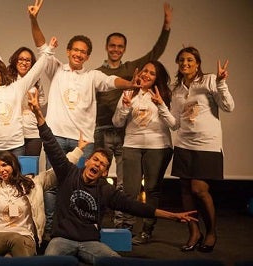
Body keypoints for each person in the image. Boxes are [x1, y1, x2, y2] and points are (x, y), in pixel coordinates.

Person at [27, 89, 198, 264]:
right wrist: (39, 114)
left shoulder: (105, 190)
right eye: (95, 160)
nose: (97, 165)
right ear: (87, 162)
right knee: (46, 263)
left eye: (102, 165)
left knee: (116, 262)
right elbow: (51, 145)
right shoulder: (68, 173)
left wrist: (173, 216)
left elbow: (135, 207)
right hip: (61, 240)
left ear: (105, 173)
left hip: (90, 242)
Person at [27, 0, 142, 239]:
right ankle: (49, 232)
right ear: (68, 52)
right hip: (57, 137)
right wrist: (34, 19)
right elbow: (40, 45)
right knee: (50, 187)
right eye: (75, 50)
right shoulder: (55, 68)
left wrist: (130, 83)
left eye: (83, 52)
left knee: (81, 189)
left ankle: (74, 232)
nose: (79, 54)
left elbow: (113, 81)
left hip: (83, 141)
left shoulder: (93, 75)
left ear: (88, 56)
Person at [95, 2, 173, 231]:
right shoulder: (97, 73)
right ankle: (94, 221)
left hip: (123, 132)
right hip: (101, 130)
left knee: (124, 185)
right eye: (112, 45)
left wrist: (166, 27)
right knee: (97, 177)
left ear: (124, 49)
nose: (116, 49)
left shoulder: (132, 68)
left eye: (120, 46)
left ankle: (122, 226)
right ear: (107, 47)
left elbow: (155, 53)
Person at [0, 122, 85, 256]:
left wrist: (78, 150)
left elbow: (59, 170)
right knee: (15, 242)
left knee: (16, 245)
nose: (1, 170)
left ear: (14, 165)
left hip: (24, 236)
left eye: (4, 165)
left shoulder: (33, 184)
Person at [169, 47, 234, 253]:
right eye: (181, 60)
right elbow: (174, 123)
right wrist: (160, 106)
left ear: (197, 63)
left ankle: (212, 231)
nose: (185, 63)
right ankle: (194, 232)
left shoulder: (210, 81)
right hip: (183, 144)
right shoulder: (177, 89)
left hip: (207, 144)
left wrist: (221, 83)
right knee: (186, 191)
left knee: (199, 189)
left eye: (189, 60)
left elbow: (229, 106)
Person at [112, 61, 174, 245]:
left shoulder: (164, 94)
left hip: (158, 147)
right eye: (145, 71)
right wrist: (124, 106)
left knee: (151, 190)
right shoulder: (129, 92)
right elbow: (117, 122)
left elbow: (174, 124)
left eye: (152, 73)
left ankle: (147, 230)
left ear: (158, 78)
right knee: (129, 191)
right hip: (132, 145)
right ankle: (126, 231)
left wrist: (161, 104)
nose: (147, 75)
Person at [0, 6, 47, 156]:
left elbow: (42, 100)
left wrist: (32, 108)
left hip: (33, 133)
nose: (24, 62)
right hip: (12, 134)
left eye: (28, 60)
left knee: (29, 170)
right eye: (21, 59)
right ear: (15, 60)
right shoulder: (7, 77)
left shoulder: (35, 80)